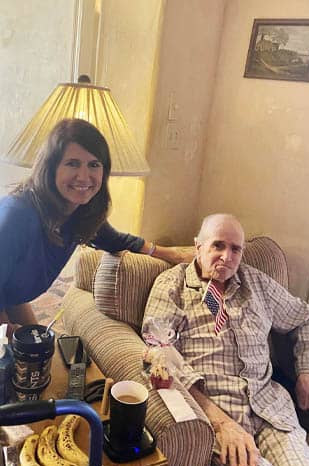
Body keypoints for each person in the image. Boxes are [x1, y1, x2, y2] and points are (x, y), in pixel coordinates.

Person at [142, 213, 309, 466]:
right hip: (221, 418)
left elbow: (308, 319)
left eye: (235, 249)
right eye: (217, 246)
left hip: (273, 413)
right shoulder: (172, 286)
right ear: (198, 247)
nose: (227, 256)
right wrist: (221, 424)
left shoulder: (255, 282)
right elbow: (158, 353)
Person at [0, 118, 194, 333]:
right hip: (8, 298)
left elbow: (117, 240)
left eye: (94, 165)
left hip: (11, 296)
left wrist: (176, 255)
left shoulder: (80, 212)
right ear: (51, 167)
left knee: (43, 347)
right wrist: (9, 331)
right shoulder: (16, 217)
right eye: (72, 163)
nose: (84, 176)